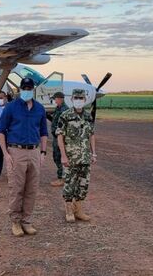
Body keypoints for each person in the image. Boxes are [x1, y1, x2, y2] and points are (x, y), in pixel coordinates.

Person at [0, 78, 48, 237]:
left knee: (31, 189)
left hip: (34, 151)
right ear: (20, 89)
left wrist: (43, 152)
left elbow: (44, 132)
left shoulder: (40, 108)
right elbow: (0, 131)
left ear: (33, 89)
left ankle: (26, 221)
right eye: (24, 87)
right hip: (16, 151)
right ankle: (15, 222)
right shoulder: (11, 107)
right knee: (17, 188)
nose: (27, 90)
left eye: (29, 87)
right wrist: (6, 154)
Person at [56, 89, 97, 223]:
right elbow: (60, 136)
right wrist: (63, 156)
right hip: (70, 157)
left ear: (85, 100)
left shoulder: (88, 116)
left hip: (85, 157)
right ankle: (68, 210)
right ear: (72, 99)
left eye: (81, 98)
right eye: (76, 98)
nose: (79, 100)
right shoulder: (65, 115)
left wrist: (93, 153)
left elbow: (91, 135)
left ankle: (78, 210)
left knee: (83, 185)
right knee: (69, 184)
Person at [49, 91, 68, 187]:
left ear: (60, 98)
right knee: (56, 157)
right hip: (56, 137)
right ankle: (62, 177)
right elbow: (55, 120)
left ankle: (62, 178)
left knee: (60, 157)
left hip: (61, 138)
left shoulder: (64, 109)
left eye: (55, 99)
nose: (55, 101)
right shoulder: (59, 108)